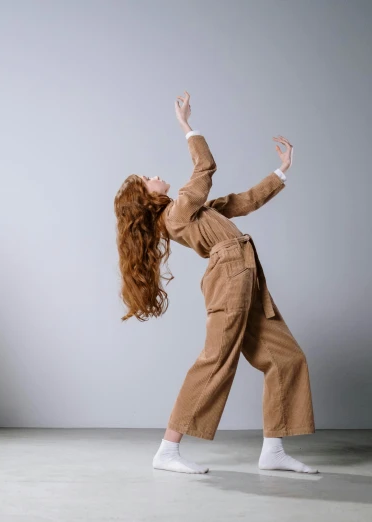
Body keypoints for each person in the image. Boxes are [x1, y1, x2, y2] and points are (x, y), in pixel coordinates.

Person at [114, 92, 317, 474]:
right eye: (147, 179)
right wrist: (187, 126)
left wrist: (282, 171)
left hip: (244, 273)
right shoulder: (176, 213)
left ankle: (273, 451)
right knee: (216, 360)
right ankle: (167, 452)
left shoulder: (189, 210)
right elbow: (205, 166)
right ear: (145, 198)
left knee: (286, 358)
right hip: (229, 276)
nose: (155, 175)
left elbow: (241, 202)